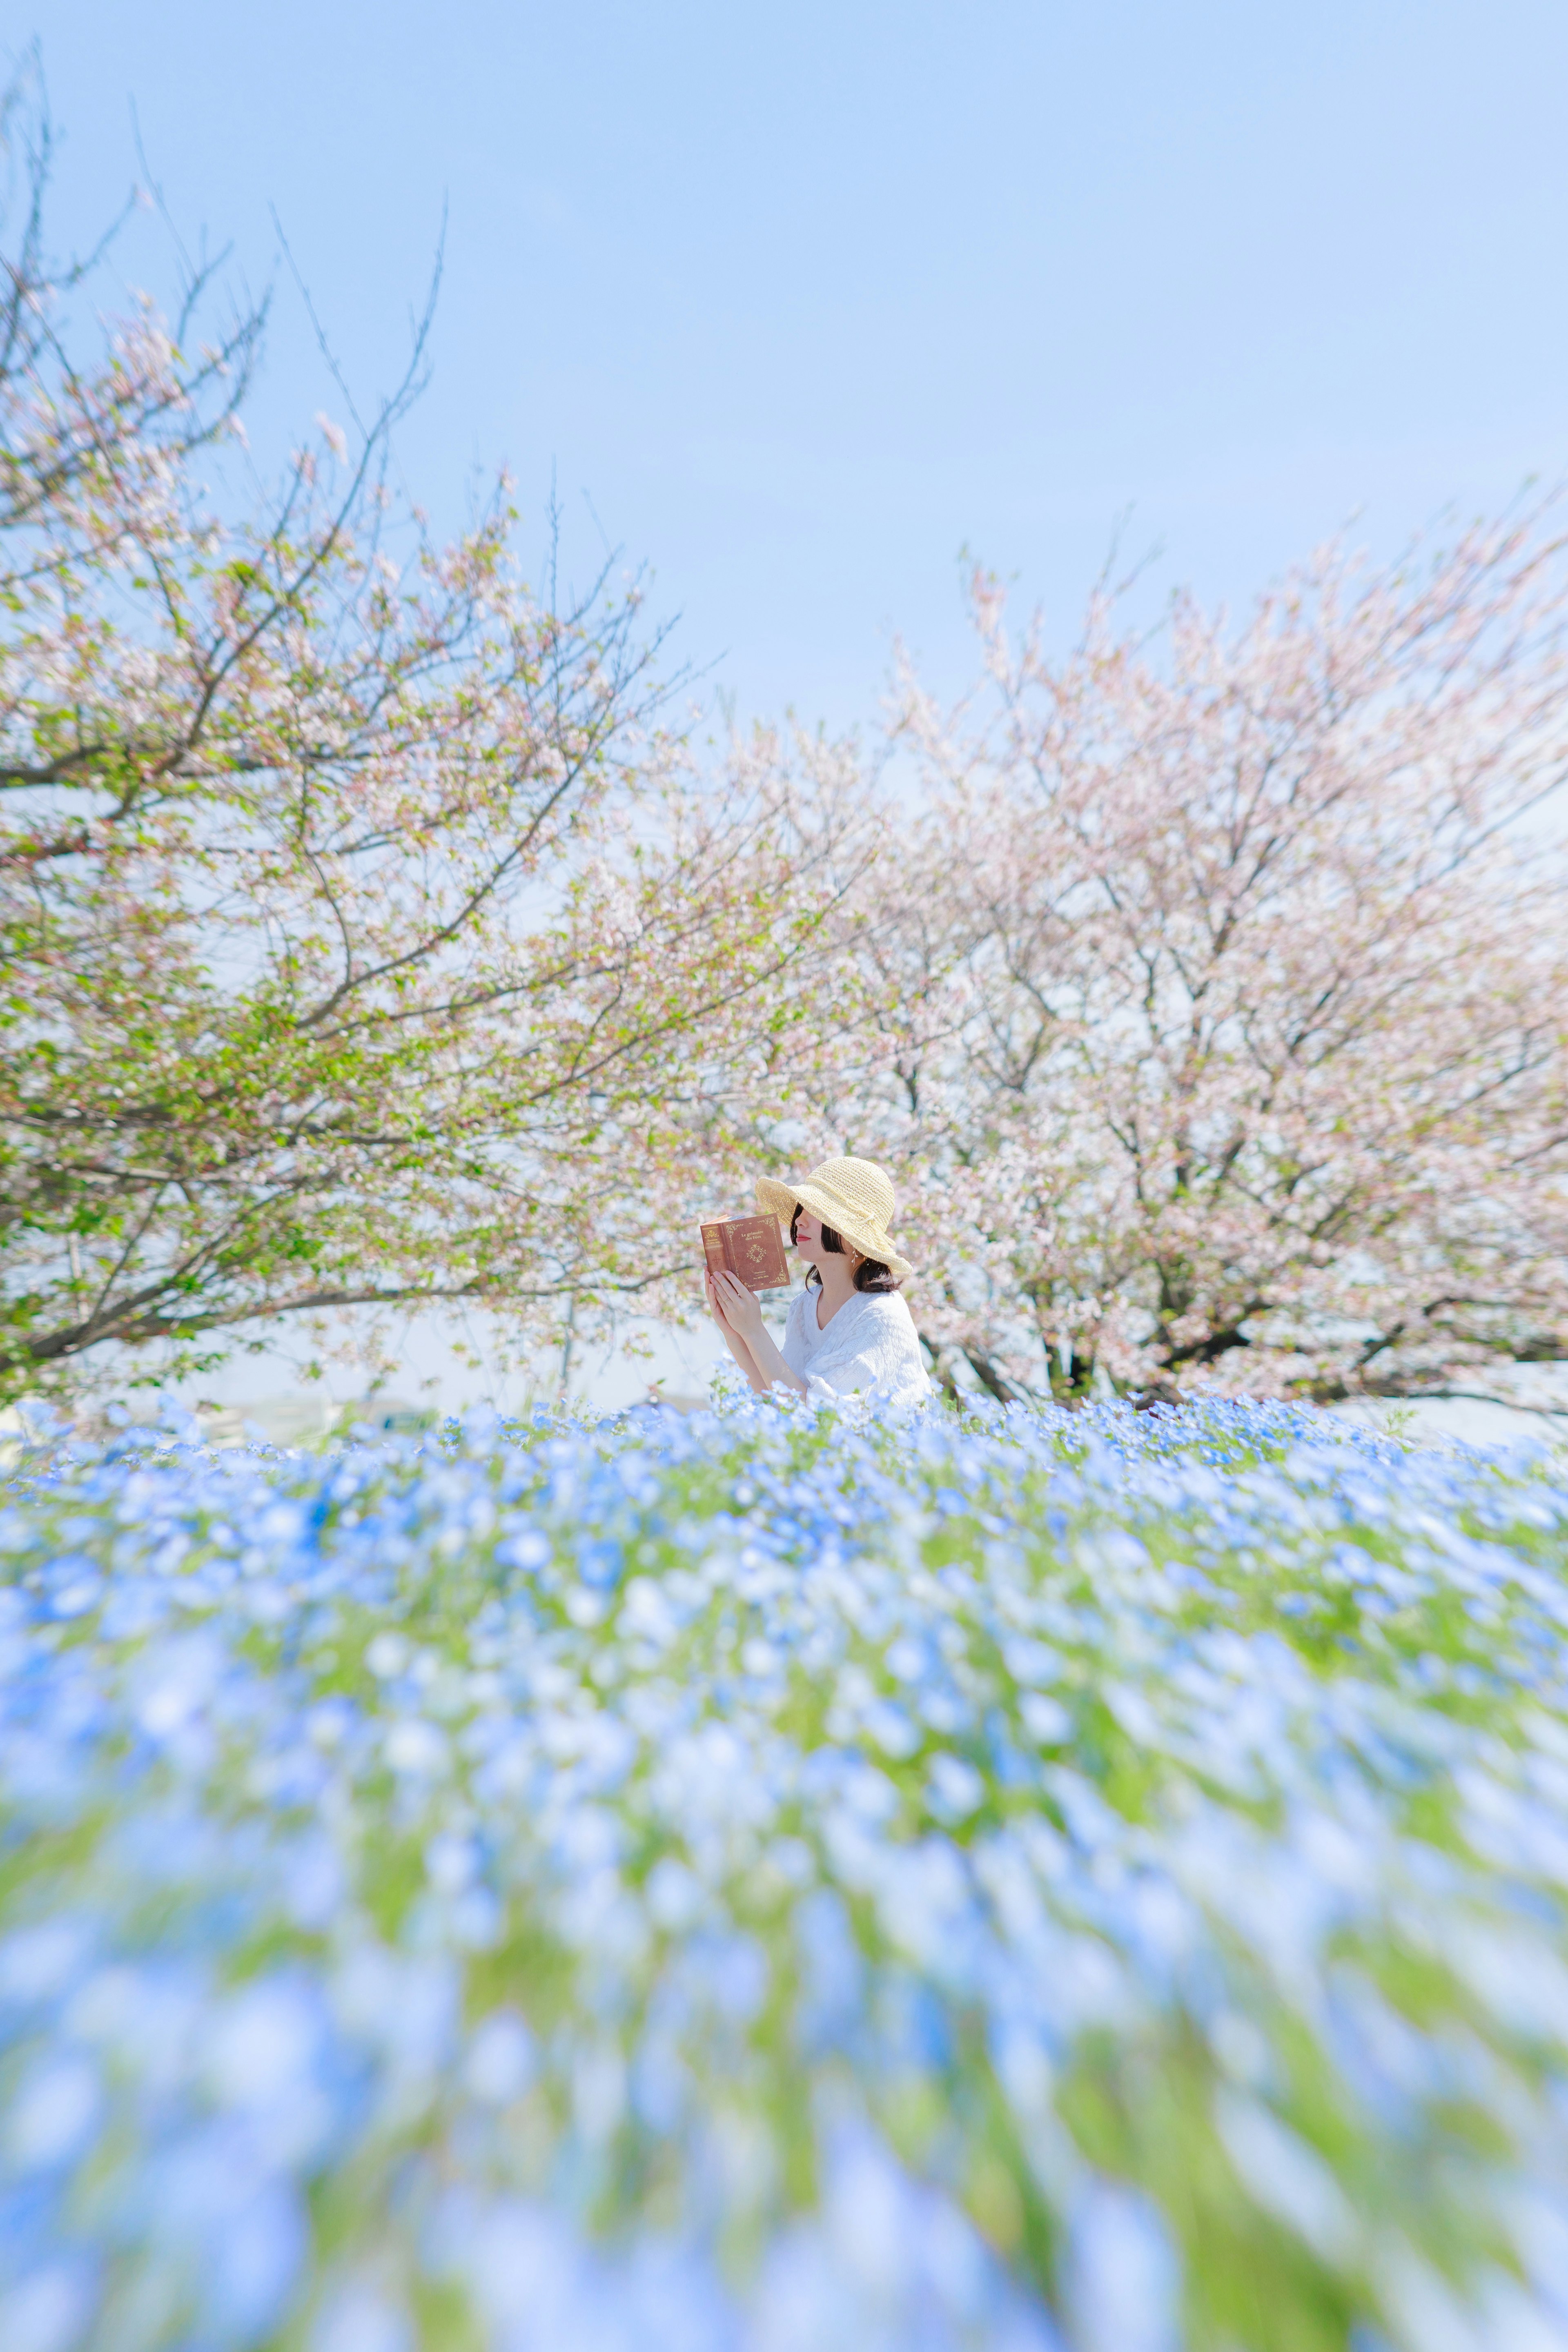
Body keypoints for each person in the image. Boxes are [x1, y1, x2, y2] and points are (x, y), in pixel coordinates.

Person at [704, 1155, 931, 1410]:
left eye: (817, 1210)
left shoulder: (882, 1316)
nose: (799, 1220)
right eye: (802, 1208)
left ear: (851, 1233)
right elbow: (774, 1398)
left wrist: (754, 1330)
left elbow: (819, 1417)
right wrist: (734, 1331)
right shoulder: (804, 1306)